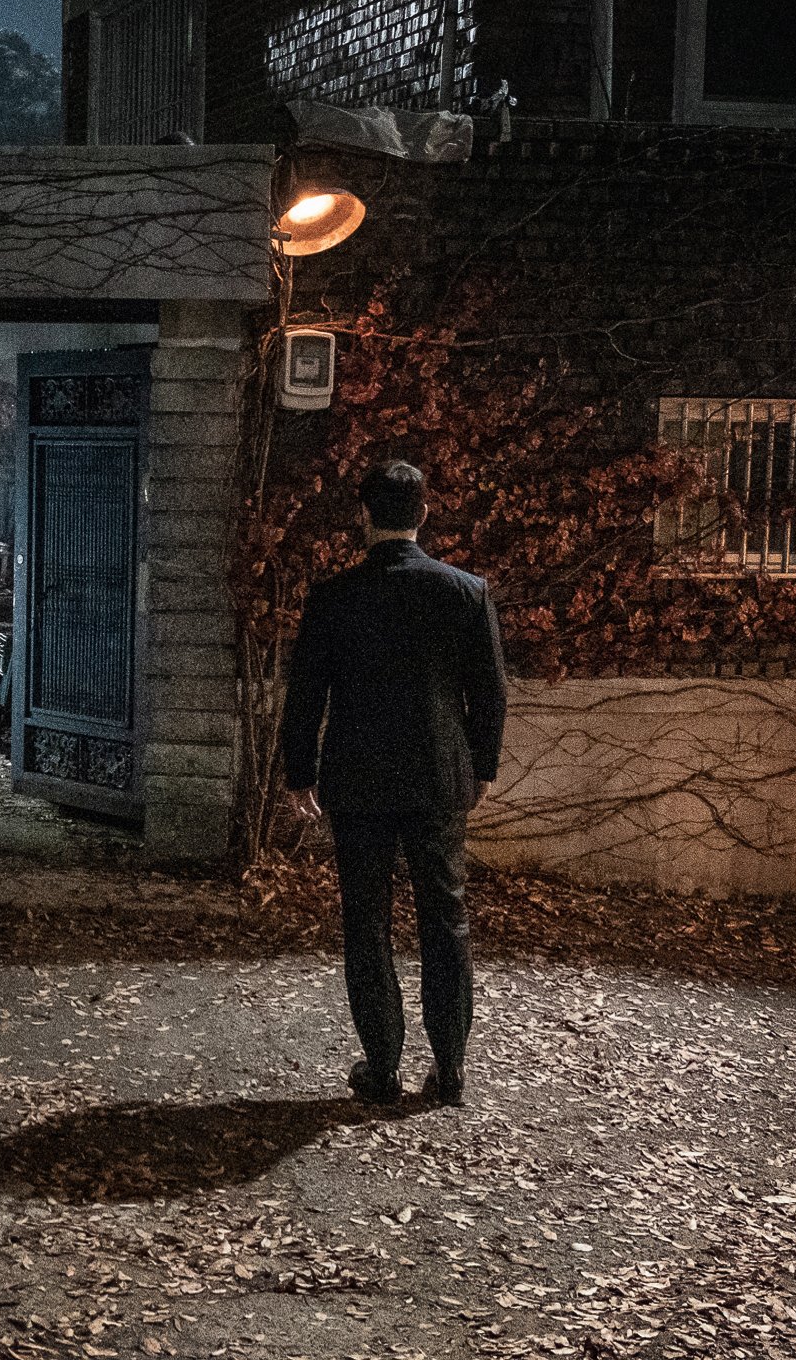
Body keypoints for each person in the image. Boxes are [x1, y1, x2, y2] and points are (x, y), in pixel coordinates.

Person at [279, 460, 507, 1108]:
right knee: (446, 918)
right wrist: (482, 766)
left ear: (364, 516)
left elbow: (305, 694)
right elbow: (490, 692)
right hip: (437, 773)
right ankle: (451, 1067)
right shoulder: (465, 593)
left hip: (358, 778)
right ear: (423, 515)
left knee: (366, 920)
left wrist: (299, 773)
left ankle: (382, 1067)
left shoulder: (334, 597)